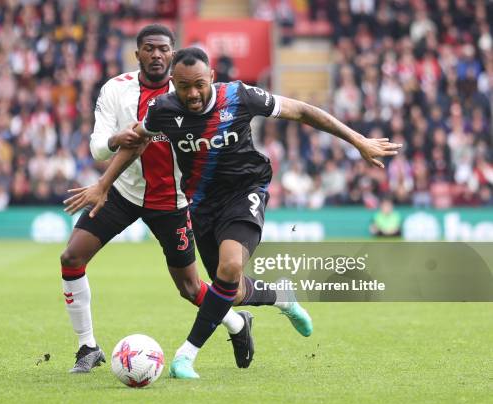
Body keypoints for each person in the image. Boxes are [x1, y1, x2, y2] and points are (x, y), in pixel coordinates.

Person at [64, 47, 401, 378]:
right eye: (184, 87)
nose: (193, 94)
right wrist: (104, 183)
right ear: (173, 83)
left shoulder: (240, 96)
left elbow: (301, 111)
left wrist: (358, 140)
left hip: (245, 192)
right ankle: (280, 296)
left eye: (199, 84)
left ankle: (186, 355)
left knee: (229, 266)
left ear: (212, 76)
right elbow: (136, 140)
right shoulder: (163, 110)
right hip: (201, 205)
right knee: (231, 289)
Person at [60, 25, 258, 375]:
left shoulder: (188, 91)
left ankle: (237, 324)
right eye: (148, 48)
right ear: (137, 54)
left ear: (173, 52)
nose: (156, 55)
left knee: (190, 287)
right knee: (72, 256)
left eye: (163, 49)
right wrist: (112, 144)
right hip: (123, 192)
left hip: (174, 201)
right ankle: (87, 346)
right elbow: (97, 144)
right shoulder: (115, 89)